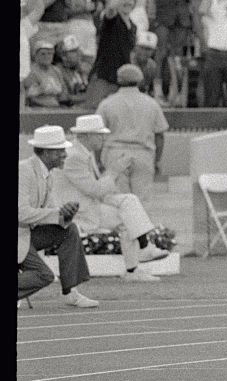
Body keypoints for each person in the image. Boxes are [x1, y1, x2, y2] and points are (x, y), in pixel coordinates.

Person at [54, 115, 168, 282]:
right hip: (78, 212)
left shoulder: (82, 152)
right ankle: (139, 257)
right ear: (85, 135)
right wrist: (115, 171)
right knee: (127, 214)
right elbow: (94, 190)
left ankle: (138, 260)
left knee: (129, 203)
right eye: (99, 134)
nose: (103, 137)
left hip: (87, 205)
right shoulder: (75, 156)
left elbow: (95, 189)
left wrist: (115, 192)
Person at [18, 125, 98, 308]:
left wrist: (66, 214)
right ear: (46, 152)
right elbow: (20, 212)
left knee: (69, 229)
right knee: (45, 276)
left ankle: (71, 292)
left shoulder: (49, 174)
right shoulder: (23, 171)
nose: (65, 155)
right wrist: (56, 213)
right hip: (20, 235)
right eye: (60, 151)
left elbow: (52, 213)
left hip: (28, 234)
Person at [95, 65, 169, 202]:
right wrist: (157, 160)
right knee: (142, 203)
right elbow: (159, 135)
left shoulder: (107, 103)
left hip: (115, 154)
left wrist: (98, 160)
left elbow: (97, 135)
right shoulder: (151, 104)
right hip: (143, 154)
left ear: (118, 80)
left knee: (119, 200)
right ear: (140, 81)